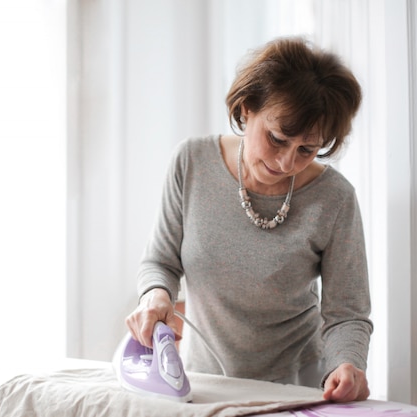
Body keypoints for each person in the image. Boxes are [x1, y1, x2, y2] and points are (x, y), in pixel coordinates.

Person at [125, 36, 372, 403]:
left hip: (297, 386)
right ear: (245, 110)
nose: (287, 163)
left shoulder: (334, 198)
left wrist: (347, 364)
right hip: (203, 381)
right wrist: (156, 296)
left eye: (307, 149)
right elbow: (161, 261)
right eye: (277, 138)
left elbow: (347, 313)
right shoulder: (191, 162)